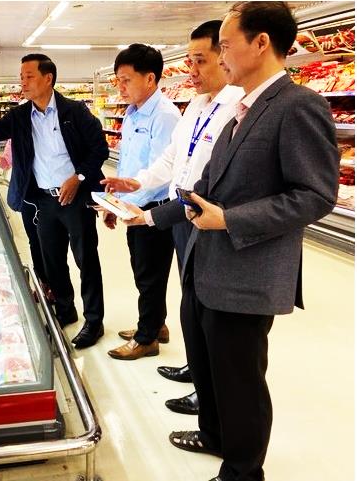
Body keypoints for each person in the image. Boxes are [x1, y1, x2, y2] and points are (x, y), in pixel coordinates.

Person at [118, 3, 339, 480]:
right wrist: (149, 217)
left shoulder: (298, 105)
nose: (219, 57)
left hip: (247, 273)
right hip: (208, 264)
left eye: (224, 46)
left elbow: (316, 195)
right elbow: (204, 189)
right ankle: (215, 435)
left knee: (240, 380)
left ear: (261, 43)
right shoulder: (241, 109)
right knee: (211, 366)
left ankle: (242, 470)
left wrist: (232, 220)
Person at [101, 21, 245, 414]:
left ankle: (208, 389)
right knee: (191, 298)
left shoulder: (238, 107)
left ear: (226, 56)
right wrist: (137, 182)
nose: (190, 70)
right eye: (189, 61)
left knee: (209, 306)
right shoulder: (197, 105)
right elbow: (173, 159)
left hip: (209, 220)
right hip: (180, 213)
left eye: (200, 60)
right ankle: (197, 368)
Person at [0, 54, 109, 348]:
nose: (23, 82)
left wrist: (78, 177)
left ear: (48, 79)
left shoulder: (75, 111)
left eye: (29, 76)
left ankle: (94, 322)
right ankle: (65, 310)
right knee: (52, 261)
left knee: (86, 260)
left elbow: (99, 149)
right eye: (21, 76)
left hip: (76, 198)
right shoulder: (20, 116)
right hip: (44, 201)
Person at [101, 44, 181, 361]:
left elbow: (163, 170)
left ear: (150, 78)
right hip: (133, 207)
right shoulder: (133, 112)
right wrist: (116, 203)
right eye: (117, 80)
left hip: (154, 209)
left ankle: (147, 338)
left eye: (126, 80)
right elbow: (128, 165)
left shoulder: (165, 116)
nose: (120, 87)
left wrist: (130, 206)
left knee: (150, 276)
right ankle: (156, 324)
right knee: (143, 271)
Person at [0, 140, 54, 302]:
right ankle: (44, 284)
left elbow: (5, 164)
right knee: (36, 242)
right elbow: (5, 164)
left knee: (50, 244)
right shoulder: (14, 139)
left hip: (50, 196)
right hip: (30, 198)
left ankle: (53, 287)